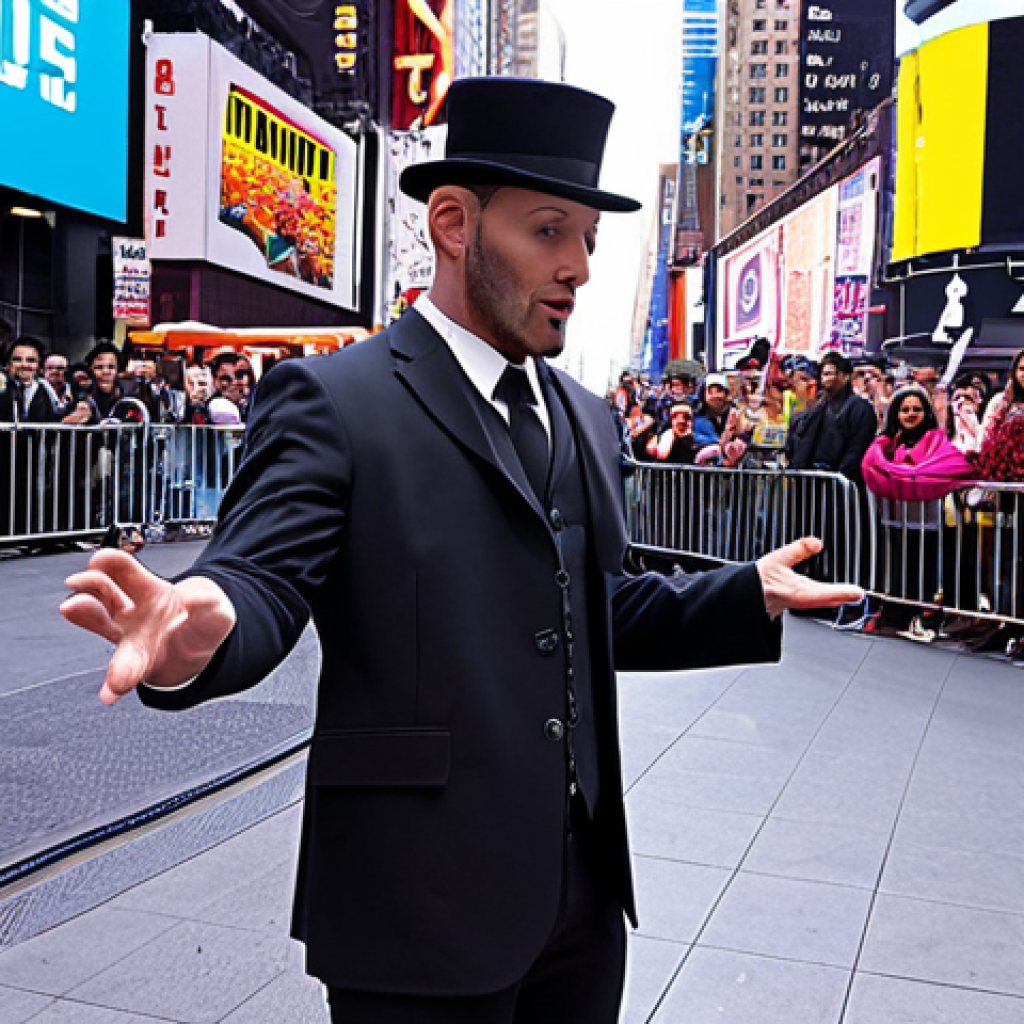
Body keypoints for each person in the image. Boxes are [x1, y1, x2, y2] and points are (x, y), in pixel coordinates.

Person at [60, 77, 860, 1024]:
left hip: (582, 905)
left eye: (590, 243)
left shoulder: (589, 417)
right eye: (549, 231)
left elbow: (596, 604)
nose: (579, 269)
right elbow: (261, 577)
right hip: (413, 906)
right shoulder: (337, 402)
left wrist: (742, 594)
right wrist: (205, 621)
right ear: (453, 222)